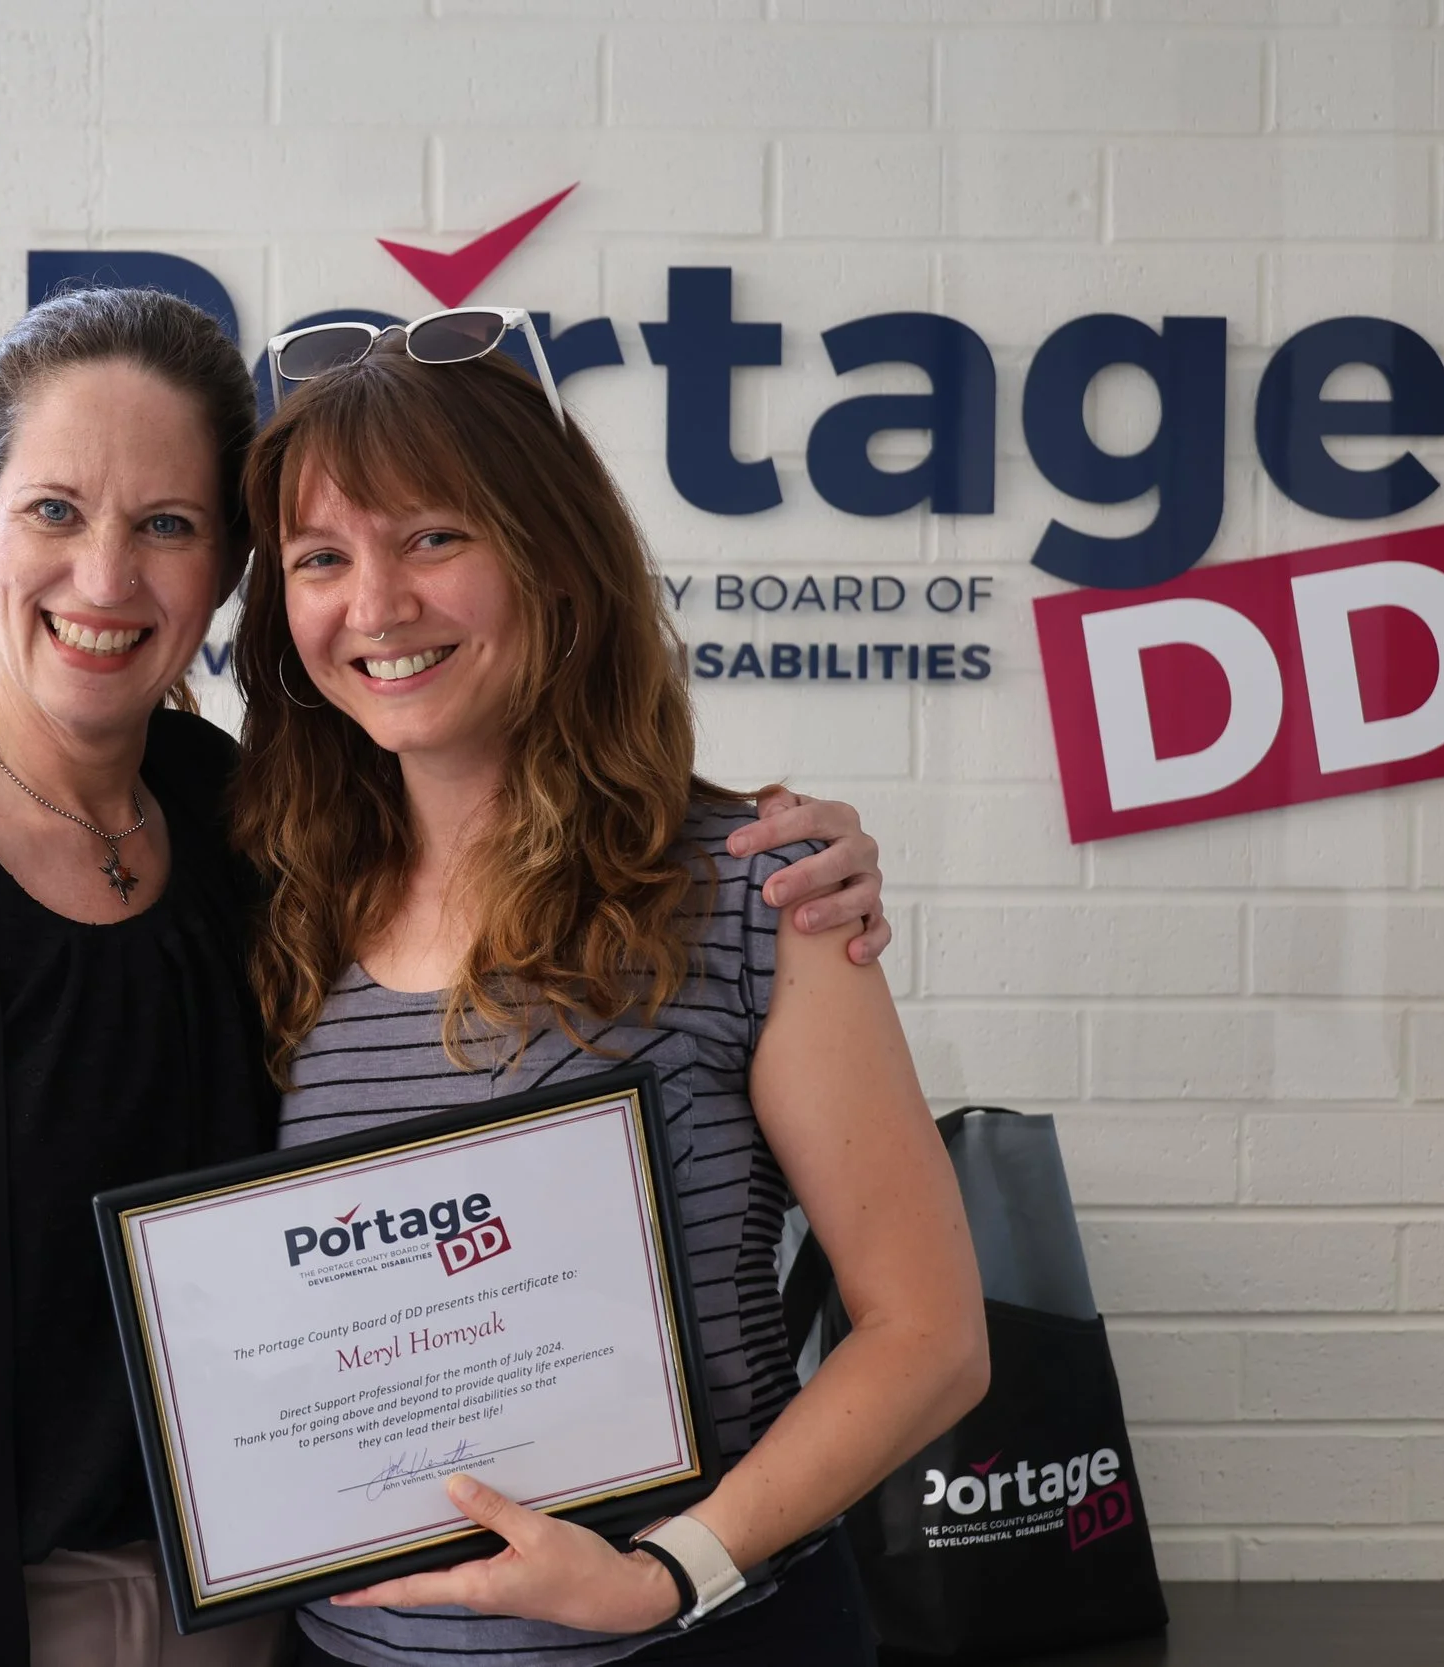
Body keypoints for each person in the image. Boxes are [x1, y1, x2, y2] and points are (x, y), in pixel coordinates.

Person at [0, 288, 895, 1667]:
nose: (105, 578)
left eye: (167, 525)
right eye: (54, 510)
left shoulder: (258, 837)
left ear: (229, 572)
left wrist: (791, 858)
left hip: (269, 1626)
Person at [229, 327, 990, 1667]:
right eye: (320, 559)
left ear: (555, 559)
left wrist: (665, 1573)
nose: (378, 605)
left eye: (433, 538)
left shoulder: (757, 887)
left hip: (699, 1641)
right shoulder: (276, 905)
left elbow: (929, 1337)